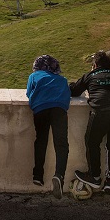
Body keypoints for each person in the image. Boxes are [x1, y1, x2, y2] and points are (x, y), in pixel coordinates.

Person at [70, 50, 110, 193]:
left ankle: (94, 177)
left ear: (95, 65)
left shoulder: (90, 75)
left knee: (92, 142)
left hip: (101, 111)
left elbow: (74, 91)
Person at [26, 54, 70, 198]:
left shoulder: (34, 76)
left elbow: (28, 93)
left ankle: (38, 175)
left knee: (41, 140)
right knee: (61, 143)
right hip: (59, 109)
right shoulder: (62, 80)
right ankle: (59, 176)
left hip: (41, 109)